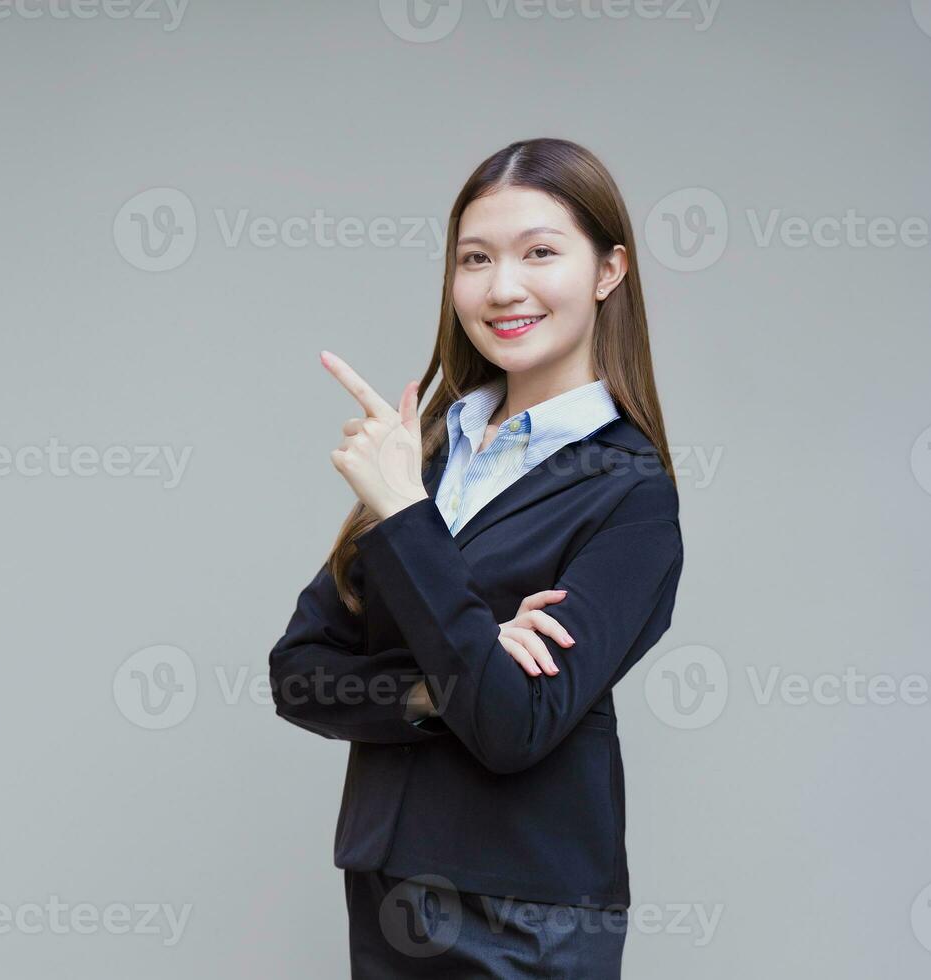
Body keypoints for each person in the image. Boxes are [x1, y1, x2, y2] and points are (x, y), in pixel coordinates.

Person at [268, 137, 685, 978]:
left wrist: (408, 517)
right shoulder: (424, 451)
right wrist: (442, 682)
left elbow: (512, 726)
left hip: (526, 916)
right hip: (386, 886)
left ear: (609, 270)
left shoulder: (632, 496)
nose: (502, 288)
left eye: (540, 253)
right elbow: (300, 672)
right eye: (475, 258)